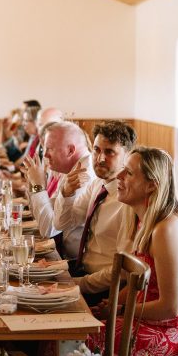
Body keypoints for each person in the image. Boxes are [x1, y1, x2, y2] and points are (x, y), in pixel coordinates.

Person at [94, 146, 178, 356]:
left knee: (76, 341)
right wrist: (109, 305)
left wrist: (119, 310)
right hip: (144, 316)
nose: (119, 177)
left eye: (128, 173)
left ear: (151, 185)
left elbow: (170, 308)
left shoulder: (166, 230)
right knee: (76, 325)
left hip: (166, 330)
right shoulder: (143, 220)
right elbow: (136, 285)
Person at [53, 120, 136, 299]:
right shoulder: (98, 184)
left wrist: (79, 285)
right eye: (97, 150)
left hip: (105, 290)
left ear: (127, 156)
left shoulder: (129, 201)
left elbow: (123, 269)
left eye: (110, 152)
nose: (100, 159)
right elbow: (62, 223)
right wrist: (66, 194)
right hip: (81, 271)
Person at [23, 121, 92, 253]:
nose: (45, 155)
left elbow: (49, 229)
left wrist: (38, 187)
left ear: (70, 150)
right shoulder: (72, 168)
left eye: (50, 148)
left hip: (73, 263)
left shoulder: (82, 175)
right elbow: (45, 212)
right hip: (62, 253)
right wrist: (34, 185)